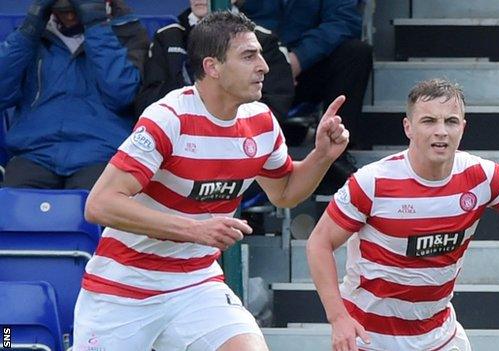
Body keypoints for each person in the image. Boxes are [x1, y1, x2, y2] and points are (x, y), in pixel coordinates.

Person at [73, 11, 350, 351]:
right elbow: (100, 204)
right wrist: (192, 229)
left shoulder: (261, 121)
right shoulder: (168, 118)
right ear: (212, 67)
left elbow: (285, 193)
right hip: (124, 288)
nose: (264, 66)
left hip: (195, 283)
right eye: (249, 56)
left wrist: (322, 155)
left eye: (260, 54)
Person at [306, 78, 499, 351]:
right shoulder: (371, 182)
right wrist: (337, 318)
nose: (441, 131)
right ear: (408, 127)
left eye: (450, 121)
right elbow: (319, 243)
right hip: (369, 337)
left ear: (463, 126)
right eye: (429, 121)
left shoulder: (481, 176)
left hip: (440, 336)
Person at [0, 0, 148, 189]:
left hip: (100, 152)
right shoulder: (33, 34)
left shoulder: (127, 31)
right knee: (14, 211)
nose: (70, 17)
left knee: (96, 211)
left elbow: (122, 95)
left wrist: (96, 25)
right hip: (34, 152)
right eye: (63, 11)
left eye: (74, 10)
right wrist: (29, 28)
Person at [238, 0, 373, 194]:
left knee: (356, 53)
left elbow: (343, 21)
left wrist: (298, 60)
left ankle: (335, 154)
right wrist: (276, 65)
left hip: (307, 67)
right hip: (258, 65)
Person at [134, 0, 294, 123]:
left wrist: (224, 123)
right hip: (180, 140)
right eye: (248, 56)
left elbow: (276, 105)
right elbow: (146, 103)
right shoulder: (167, 37)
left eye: (248, 56)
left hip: (240, 142)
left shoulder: (263, 40)